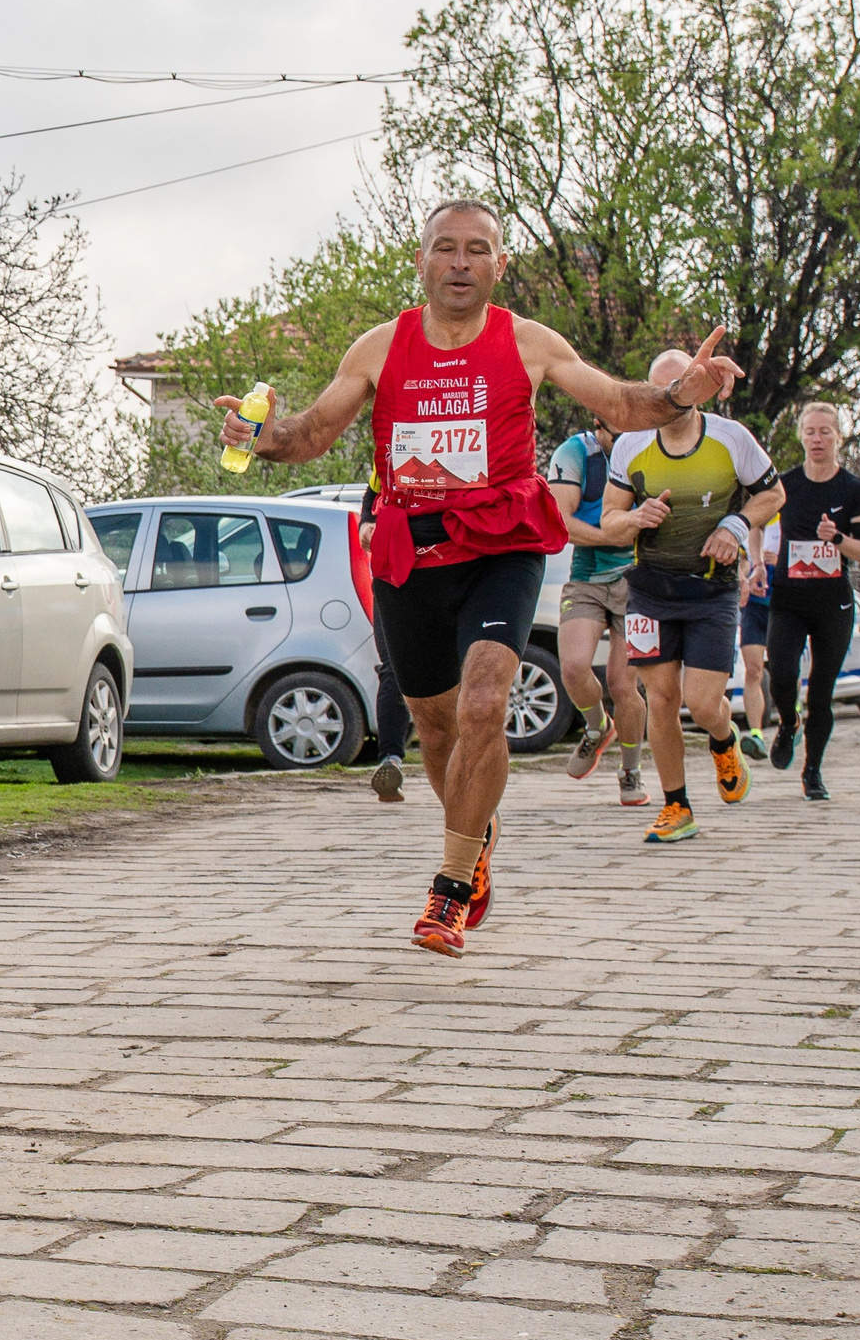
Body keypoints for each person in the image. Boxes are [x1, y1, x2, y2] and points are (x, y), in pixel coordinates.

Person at [212, 200, 743, 959]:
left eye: (477, 249)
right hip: (412, 549)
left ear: (500, 264)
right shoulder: (379, 347)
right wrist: (259, 435)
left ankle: (450, 887)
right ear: (422, 260)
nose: (460, 262)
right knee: (435, 723)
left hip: (502, 543)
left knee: (487, 700)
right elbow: (310, 434)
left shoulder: (528, 341)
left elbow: (624, 404)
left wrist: (681, 394)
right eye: (446, 248)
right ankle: (476, 828)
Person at [598, 350, 785, 844]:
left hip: (710, 590)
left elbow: (774, 494)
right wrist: (634, 519)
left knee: (703, 704)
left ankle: (723, 740)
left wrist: (737, 523)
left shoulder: (731, 438)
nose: (671, 404)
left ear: (698, 391)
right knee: (660, 699)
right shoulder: (631, 445)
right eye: (661, 395)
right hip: (650, 591)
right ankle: (676, 805)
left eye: (680, 392)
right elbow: (609, 520)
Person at [759, 402, 860, 799]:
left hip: (833, 603)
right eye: (810, 431)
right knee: (782, 674)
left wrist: (838, 540)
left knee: (822, 691)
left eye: (826, 431)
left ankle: (812, 771)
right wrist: (756, 563)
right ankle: (788, 722)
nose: (817, 438)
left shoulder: (853, 488)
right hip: (789, 598)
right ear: (801, 437)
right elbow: (755, 522)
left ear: (839, 437)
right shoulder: (784, 483)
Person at [545, 422, 647, 805]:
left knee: (623, 685)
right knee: (572, 668)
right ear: (596, 423)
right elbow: (560, 521)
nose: (619, 439)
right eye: (611, 432)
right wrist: (610, 535)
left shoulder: (650, 449)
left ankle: (631, 772)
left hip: (639, 580)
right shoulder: (575, 453)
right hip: (588, 574)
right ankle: (596, 726)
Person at [359, 482, 412, 801]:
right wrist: (367, 523)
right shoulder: (392, 445)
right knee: (393, 669)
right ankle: (390, 762)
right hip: (394, 571)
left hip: (449, 569)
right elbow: (372, 493)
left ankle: (461, 760)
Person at [737, 519, 777, 762]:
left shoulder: (788, 523)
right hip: (753, 609)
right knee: (753, 671)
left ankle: (790, 721)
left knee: (783, 670)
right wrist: (744, 578)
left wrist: (778, 563)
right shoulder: (744, 525)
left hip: (783, 608)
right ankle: (756, 733)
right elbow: (739, 564)